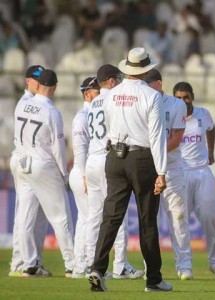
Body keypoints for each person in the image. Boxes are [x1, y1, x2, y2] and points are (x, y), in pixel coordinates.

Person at [87, 48, 171, 292]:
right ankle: (153, 279)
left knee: (110, 217)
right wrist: (162, 172)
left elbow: (111, 126)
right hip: (141, 158)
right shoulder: (152, 96)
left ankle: (97, 270)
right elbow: (156, 138)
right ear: (145, 70)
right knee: (147, 221)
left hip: (114, 156)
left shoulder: (112, 94)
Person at [84, 64, 145, 280]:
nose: (119, 81)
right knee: (116, 215)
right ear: (111, 80)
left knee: (94, 217)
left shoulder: (92, 102)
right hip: (107, 156)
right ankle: (120, 266)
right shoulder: (115, 97)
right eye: (117, 78)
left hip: (91, 160)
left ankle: (89, 263)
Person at [13, 69, 75, 277]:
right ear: (55, 88)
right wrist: (64, 173)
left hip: (22, 162)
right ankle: (72, 264)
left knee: (25, 217)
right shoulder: (51, 112)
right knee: (61, 217)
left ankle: (28, 263)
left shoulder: (22, 104)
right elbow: (58, 146)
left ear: (38, 85)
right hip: (42, 163)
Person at [173, 81, 215, 279]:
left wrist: (211, 151)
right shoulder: (170, 116)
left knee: (211, 217)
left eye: (186, 97)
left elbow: (211, 129)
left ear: (192, 97)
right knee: (180, 220)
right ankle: (184, 265)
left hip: (202, 172)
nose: (182, 101)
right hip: (180, 173)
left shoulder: (203, 114)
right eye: (178, 98)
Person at [144, 69, 192, 280]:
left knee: (178, 218)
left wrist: (158, 156)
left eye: (149, 85)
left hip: (171, 167)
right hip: (147, 168)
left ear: (159, 84)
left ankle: (184, 266)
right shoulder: (142, 102)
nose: (145, 90)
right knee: (148, 220)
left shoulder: (176, 104)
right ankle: (150, 268)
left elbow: (176, 138)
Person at [9, 65, 51, 277]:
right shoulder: (26, 103)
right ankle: (19, 262)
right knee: (25, 213)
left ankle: (34, 261)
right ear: (27, 81)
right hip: (26, 161)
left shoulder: (34, 103)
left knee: (38, 215)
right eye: (36, 79)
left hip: (30, 162)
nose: (39, 82)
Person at [69, 76, 100, 278]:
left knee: (84, 220)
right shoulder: (82, 117)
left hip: (85, 172)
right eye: (96, 90)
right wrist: (84, 176)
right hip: (82, 173)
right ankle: (89, 264)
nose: (100, 93)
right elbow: (79, 150)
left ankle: (79, 266)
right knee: (91, 220)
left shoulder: (94, 113)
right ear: (87, 93)